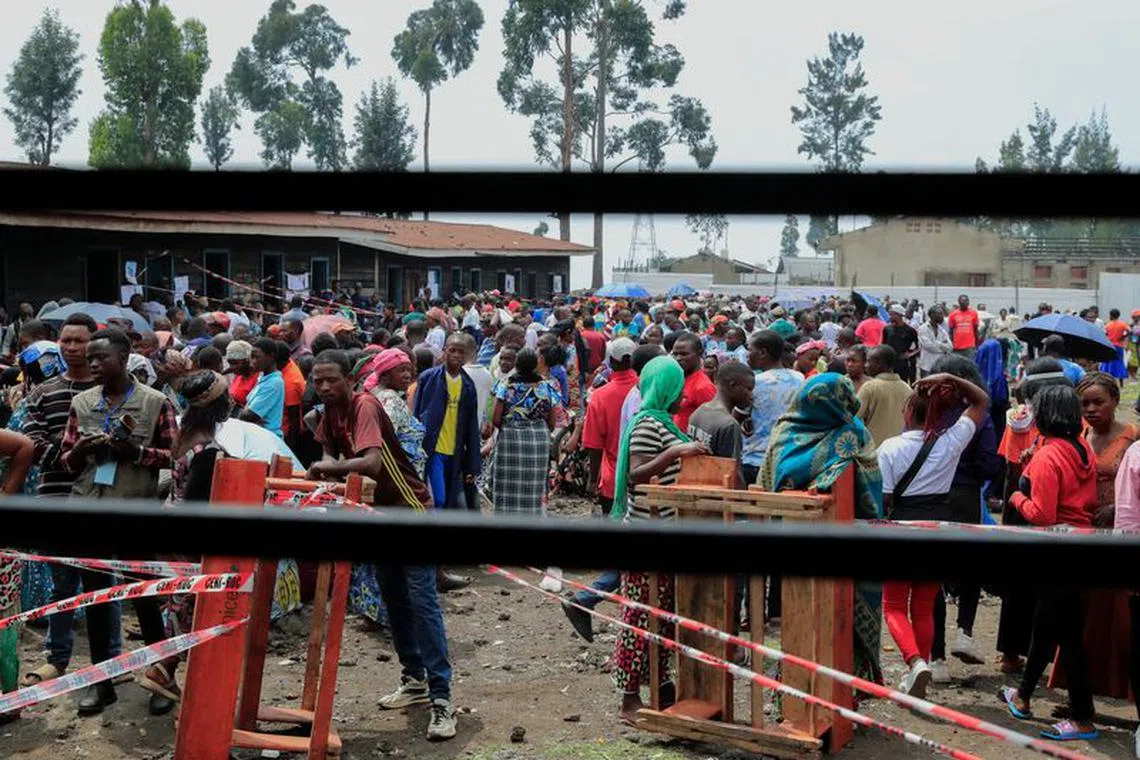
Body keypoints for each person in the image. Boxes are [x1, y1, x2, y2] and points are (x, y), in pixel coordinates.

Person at [305, 349, 455, 741]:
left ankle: (442, 698)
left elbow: (371, 463)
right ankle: (414, 678)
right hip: (377, 518)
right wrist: (328, 464)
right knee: (395, 600)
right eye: (317, 381)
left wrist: (329, 469)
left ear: (350, 380)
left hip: (409, 512)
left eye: (331, 380)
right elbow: (326, 450)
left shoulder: (365, 406)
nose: (323, 387)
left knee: (422, 603)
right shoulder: (330, 412)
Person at [58, 328, 178, 717]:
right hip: (89, 512)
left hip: (135, 512)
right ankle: (101, 682)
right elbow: (65, 460)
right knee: (95, 600)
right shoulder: (82, 402)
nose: (92, 364)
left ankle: (161, 678)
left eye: (101, 358)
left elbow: (172, 457)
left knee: (144, 598)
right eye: (89, 358)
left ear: (124, 359)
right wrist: (79, 450)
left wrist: (136, 451)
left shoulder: (155, 402)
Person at [759, 373, 884, 685]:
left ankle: (844, 692)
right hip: (797, 538)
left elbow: (868, 481)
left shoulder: (854, 434)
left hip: (842, 538)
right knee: (801, 617)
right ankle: (798, 690)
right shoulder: (786, 431)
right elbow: (773, 479)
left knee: (838, 621)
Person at [609, 356, 711, 723]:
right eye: (677, 384)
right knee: (638, 618)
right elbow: (636, 475)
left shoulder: (666, 421)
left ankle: (661, 686)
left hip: (667, 534)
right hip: (644, 535)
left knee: (663, 618)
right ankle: (629, 697)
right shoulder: (648, 424)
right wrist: (676, 451)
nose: (682, 391)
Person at [878, 373, 988, 697]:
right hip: (939, 529)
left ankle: (915, 663)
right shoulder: (952, 441)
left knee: (894, 606)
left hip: (902, 529)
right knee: (924, 606)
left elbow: (885, 499)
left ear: (908, 412)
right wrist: (952, 378)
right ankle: (921, 665)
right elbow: (981, 400)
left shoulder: (890, 448)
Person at [1000, 385, 1099, 743]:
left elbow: (1042, 514)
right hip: (1081, 546)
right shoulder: (1081, 447)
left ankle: (1084, 718)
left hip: (1056, 549)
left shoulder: (1049, 455)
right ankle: (1024, 696)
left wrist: (1016, 495)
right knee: (1047, 626)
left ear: (1045, 416)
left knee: (1068, 638)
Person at [1044, 373, 1137, 707]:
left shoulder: (1132, 437)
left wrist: (1117, 507)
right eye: (1085, 404)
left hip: (1122, 534)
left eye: (1099, 402)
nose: (1092, 409)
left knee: (1120, 616)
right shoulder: (1078, 435)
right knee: (1082, 615)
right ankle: (1082, 688)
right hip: (1084, 533)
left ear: (1115, 400)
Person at [924, 356, 1002, 683]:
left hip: (929, 497)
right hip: (966, 495)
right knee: (971, 562)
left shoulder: (927, 412)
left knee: (934, 578)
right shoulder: (979, 417)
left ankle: (937, 658)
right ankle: (965, 632)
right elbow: (988, 464)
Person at [414, 332, 481, 510]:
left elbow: (472, 426)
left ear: (467, 355)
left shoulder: (468, 385)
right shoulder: (428, 378)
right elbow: (416, 414)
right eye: (452, 350)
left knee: (450, 499)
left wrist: (473, 464)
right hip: (433, 449)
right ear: (444, 351)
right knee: (439, 498)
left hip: (455, 451)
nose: (456, 356)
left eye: (461, 352)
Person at [490, 346, 558, 515]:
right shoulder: (546, 387)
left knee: (507, 486)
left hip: (510, 440)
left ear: (517, 365)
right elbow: (552, 423)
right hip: (538, 442)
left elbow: (496, 418)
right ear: (535, 365)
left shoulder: (506, 385)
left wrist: (512, 426)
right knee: (533, 486)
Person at [741, 330, 803, 485]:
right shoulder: (799, 378)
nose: (747, 354)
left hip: (756, 460)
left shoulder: (754, 383)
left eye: (750, 350)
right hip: (789, 457)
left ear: (762, 352)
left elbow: (738, 415)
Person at [688, 361, 754, 472]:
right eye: (748, 389)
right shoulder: (729, 425)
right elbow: (732, 472)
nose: (751, 396)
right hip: (717, 485)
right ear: (732, 385)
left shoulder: (698, 413)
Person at [857, 345, 914, 448]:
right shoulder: (907, 388)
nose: (866, 365)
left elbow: (854, 418)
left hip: (874, 449)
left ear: (880, 364)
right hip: (899, 449)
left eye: (869, 361)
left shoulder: (870, 387)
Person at [669, 332, 717, 433]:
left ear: (699, 353)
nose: (678, 358)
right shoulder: (680, 379)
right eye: (675, 354)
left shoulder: (703, 386)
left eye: (684, 354)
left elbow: (713, 422)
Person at [241, 338, 286, 438]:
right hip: (258, 434)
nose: (252, 362)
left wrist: (247, 414)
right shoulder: (262, 377)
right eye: (251, 357)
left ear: (271, 356)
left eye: (257, 357)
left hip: (267, 437)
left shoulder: (274, 383)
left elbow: (249, 415)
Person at [883, 304, 919, 382]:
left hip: (903, 365)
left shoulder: (910, 331)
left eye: (891, 315)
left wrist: (909, 354)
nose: (889, 317)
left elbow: (918, 347)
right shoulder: (887, 329)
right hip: (889, 364)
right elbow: (883, 346)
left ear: (898, 315)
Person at [225, 340, 258, 408]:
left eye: (234, 363)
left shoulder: (258, 379)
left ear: (247, 361)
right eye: (230, 363)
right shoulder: (239, 375)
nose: (231, 367)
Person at [947, 294, 981, 359]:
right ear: (959, 302)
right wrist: (950, 344)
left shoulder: (973, 313)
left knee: (969, 366)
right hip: (957, 347)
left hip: (970, 347)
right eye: (963, 301)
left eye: (966, 301)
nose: (965, 303)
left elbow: (975, 330)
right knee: (958, 367)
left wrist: (977, 344)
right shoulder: (953, 315)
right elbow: (950, 331)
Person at [1101, 308, 1130, 381]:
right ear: (1118, 315)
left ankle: (1108, 377)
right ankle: (1121, 381)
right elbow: (1129, 331)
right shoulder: (1123, 324)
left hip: (1109, 345)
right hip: (1119, 345)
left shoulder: (1108, 324)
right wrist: (1122, 337)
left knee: (1109, 361)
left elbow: (1105, 334)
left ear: (1111, 315)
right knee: (1119, 361)